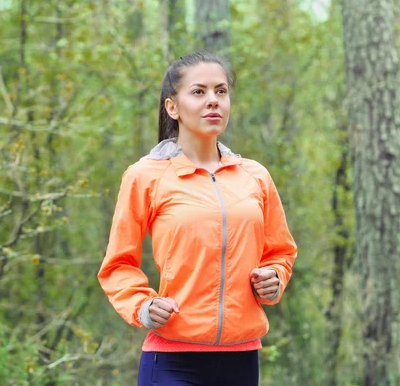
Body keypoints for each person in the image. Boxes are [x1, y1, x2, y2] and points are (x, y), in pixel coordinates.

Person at [97, 51, 298, 386]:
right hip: (173, 359)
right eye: (199, 92)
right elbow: (118, 263)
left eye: (221, 91)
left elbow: (280, 251)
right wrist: (142, 305)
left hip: (242, 359)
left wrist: (275, 277)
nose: (213, 101)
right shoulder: (146, 176)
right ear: (172, 107)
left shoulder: (255, 176)